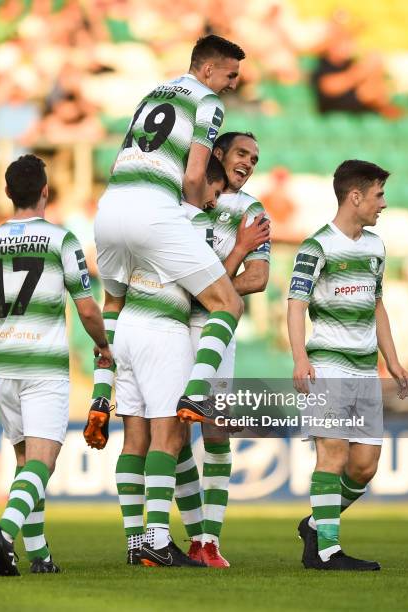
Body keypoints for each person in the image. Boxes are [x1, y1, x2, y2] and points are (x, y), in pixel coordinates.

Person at [0, 154, 112, 576]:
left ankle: (39, 556)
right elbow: (89, 310)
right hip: (42, 366)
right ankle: (5, 530)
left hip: (1, 366)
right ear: (44, 192)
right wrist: (103, 345)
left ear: (6, 194)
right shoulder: (62, 240)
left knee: (25, 464)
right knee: (44, 462)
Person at [86, 35, 247, 455]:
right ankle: (196, 392)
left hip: (109, 209)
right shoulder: (208, 102)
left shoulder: (152, 93)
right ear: (208, 69)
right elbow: (195, 175)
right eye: (230, 75)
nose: (232, 84)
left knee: (115, 304)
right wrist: (193, 216)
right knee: (227, 304)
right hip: (154, 211)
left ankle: (102, 392)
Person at [287, 159, 408, 571]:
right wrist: (300, 358)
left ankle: (315, 525)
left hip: (364, 370)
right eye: (378, 195)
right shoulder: (317, 246)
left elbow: (376, 305)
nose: (384, 204)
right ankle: (327, 551)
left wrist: (391, 359)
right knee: (333, 454)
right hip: (328, 366)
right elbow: (296, 305)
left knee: (364, 466)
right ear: (355, 196)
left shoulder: (376, 246)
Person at [111, 156, 230, 568]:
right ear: (202, 184)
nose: (216, 201)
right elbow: (212, 290)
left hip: (127, 326)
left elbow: (114, 289)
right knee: (171, 438)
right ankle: (158, 540)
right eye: (216, 192)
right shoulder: (190, 225)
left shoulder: (140, 223)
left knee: (134, 440)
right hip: (162, 331)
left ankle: (134, 541)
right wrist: (243, 248)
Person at [176, 131, 271, 568]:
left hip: (219, 328)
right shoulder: (185, 197)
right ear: (218, 154)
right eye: (241, 153)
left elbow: (258, 279)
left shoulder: (252, 210)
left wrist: (203, 292)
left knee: (216, 431)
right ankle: (190, 533)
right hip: (172, 327)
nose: (248, 163)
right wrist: (227, 265)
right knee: (172, 433)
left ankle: (208, 540)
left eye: (254, 158)